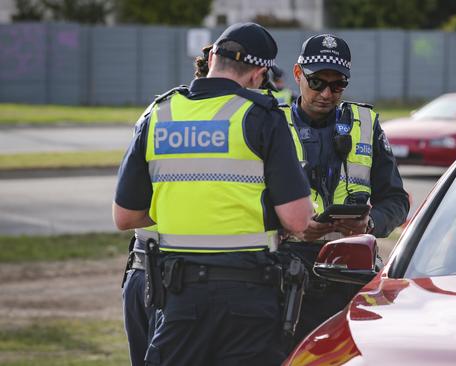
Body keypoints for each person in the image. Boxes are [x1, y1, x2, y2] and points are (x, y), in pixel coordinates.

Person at [112, 22, 313, 365]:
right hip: (248, 296)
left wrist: (184, 209)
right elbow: (297, 220)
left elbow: (125, 217)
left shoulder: (159, 114)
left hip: (178, 295)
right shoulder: (262, 116)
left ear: (212, 57)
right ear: (258, 74)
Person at [278, 34, 410, 345]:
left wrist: (370, 223)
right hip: (287, 268)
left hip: (349, 271)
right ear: (298, 75)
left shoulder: (365, 123)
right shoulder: (272, 123)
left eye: (337, 85)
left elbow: (395, 200)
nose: (326, 93)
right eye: (317, 82)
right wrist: (290, 226)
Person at [120, 48, 213, 366]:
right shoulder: (241, 126)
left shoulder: (158, 114)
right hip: (190, 286)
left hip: (142, 273)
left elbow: (126, 215)